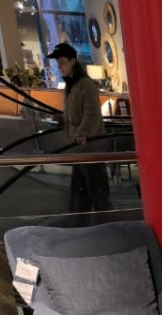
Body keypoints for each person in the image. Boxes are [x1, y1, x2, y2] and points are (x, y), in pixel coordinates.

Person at [48, 41, 111, 214]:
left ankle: (104, 222)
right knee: (81, 194)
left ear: (73, 61)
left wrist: (82, 134)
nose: (59, 67)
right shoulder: (71, 87)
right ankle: (83, 222)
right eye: (58, 63)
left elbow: (92, 114)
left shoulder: (86, 86)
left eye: (62, 62)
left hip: (89, 149)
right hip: (78, 149)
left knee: (96, 192)